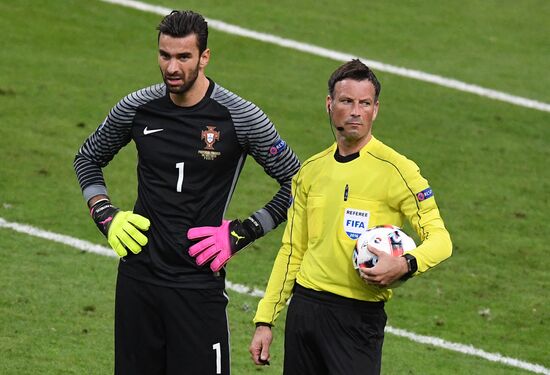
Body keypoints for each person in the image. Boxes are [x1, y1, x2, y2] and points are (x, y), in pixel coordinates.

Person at [74, 10, 300, 375]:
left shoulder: (239, 117)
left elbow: (299, 183)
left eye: (183, 57)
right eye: (165, 55)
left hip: (197, 285)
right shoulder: (136, 107)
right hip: (138, 280)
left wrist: (243, 232)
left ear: (204, 57)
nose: (172, 67)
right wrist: (105, 214)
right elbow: (87, 157)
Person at [249, 59, 452, 375]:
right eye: (347, 101)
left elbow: (441, 240)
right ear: (330, 105)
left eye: (364, 103)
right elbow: (291, 250)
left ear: (375, 110)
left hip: (357, 317)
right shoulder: (310, 172)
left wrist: (405, 263)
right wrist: (265, 319)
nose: (356, 111)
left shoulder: (399, 171)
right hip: (305, 310)